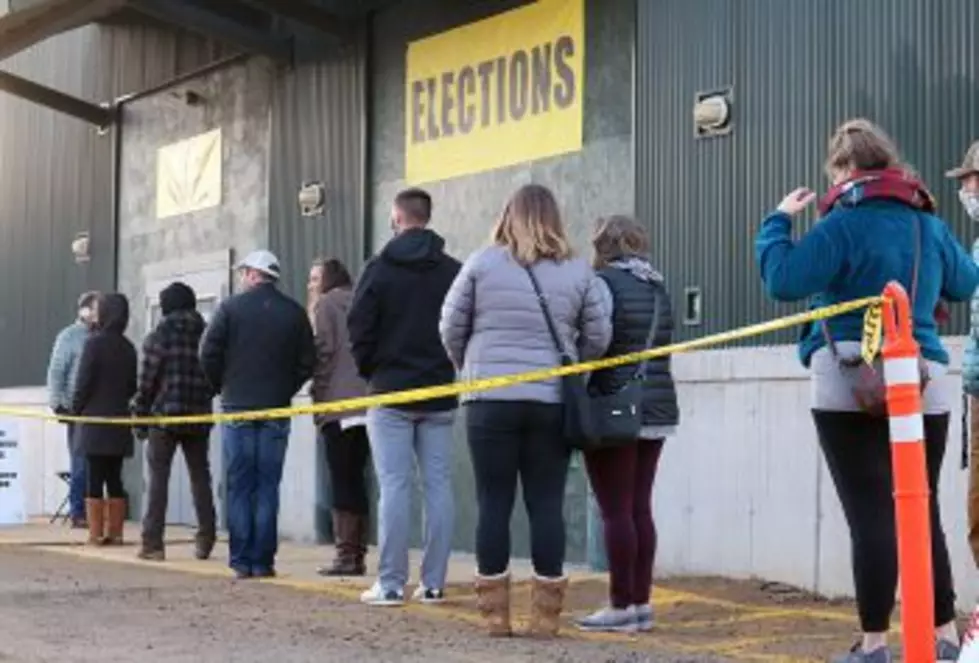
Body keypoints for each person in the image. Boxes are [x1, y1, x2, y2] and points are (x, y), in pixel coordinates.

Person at [754, 119, 979, 663]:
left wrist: (779, 219)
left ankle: (875, 645)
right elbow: (967, 283)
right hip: (923, 379)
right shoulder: (928, 225)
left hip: (848, 380)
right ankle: (943, 637)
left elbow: (783, 279)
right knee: (919, 510)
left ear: (843, 170)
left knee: (870, 514)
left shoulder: (841, 225)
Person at [439, 183, 612, 637]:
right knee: (546, 504)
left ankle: (496, 617)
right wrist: (575, 368)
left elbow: (449, 325)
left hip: (488, 402)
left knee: (493, 503)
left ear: (507, 215)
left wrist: (470, 366)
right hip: (550, 402)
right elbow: (599, 334)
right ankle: (545, 618)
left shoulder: (481, 263)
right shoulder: (577, 270)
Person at [348, 188, 460, 606]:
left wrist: (372, 372)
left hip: (390, 392)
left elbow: (358, 328)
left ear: (396, 218)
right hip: (439, 392)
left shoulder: (377, 269)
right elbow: (463, 325)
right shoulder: (452, 270)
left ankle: (391, 584)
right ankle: (433, 584)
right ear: (426, 218)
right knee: (439, 487)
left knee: (394, 487)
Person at [574, 215, 679, 634]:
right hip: (657, 406)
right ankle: (641, 604)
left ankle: (620, 606)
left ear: (602, 245)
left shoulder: (601, 284)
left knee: (614, 510)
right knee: (639, 507)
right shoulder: (658, 286)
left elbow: (596, 341)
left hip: (614, 404)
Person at [199, 250, 315, 579]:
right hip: (276, 408)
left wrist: (222, 386)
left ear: (252, 275)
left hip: (237, 406)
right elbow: (308, 361)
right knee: (267, 485)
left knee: (239, 485)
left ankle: (240, 560)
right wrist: (285, 388)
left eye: (244, 272)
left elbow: (208, 353)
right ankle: (263, 561)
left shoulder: (230, 309)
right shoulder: (293, 313)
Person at [131, 281, 216, 562]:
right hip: (199, 415)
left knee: (158, 480)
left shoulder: (158, 336)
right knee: (200, 476)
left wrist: (140, 415)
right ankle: (206, 538)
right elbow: (216, 374)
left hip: (164, 416)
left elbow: (146, 383)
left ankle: (153, 544)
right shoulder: (206, 334)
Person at [308, 257, 371, 576]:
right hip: (369, 402)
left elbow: (323, 353)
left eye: (315, 278)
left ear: (327, 280)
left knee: (341, 478)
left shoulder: (325, 306)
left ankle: (346, 555)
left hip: (338, 403)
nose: (311, 284)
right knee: (357, 478)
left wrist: (318, 402)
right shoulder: (361, 298)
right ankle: (357, 551)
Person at [71, 293, 138, 546]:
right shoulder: (128, 347)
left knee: (94, 476)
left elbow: (83, 383)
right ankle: (116, 532)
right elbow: (133, 387)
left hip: (94, 421)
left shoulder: (93, 344)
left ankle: (96, 533)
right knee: (115, 477)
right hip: (119, 421)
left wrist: (74, 409)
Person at [46, 290, 99, 528]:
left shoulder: (101, 337)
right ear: (85, 310)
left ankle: (93, 511)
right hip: (75, 409)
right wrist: (57, 403)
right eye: (97, 308)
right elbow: (57, 370)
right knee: (81, 462)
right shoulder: (69, 336)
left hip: (98, 408)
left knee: (95, 462)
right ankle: (79, 512)